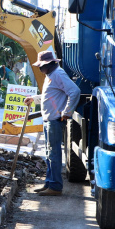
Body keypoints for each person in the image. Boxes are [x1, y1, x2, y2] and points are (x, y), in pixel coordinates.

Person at [24, 50, 81, 196]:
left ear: (49, 64)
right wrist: (34, 99)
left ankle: (55, 186)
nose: (39, 68)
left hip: (55, 120)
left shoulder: (58, 74)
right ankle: (49, 183)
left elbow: (74, 91)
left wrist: (67, 112)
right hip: (49, 119)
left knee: (54, 154)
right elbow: (50, 95)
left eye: (41, 66)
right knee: (49, 154)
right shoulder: (51, 75)